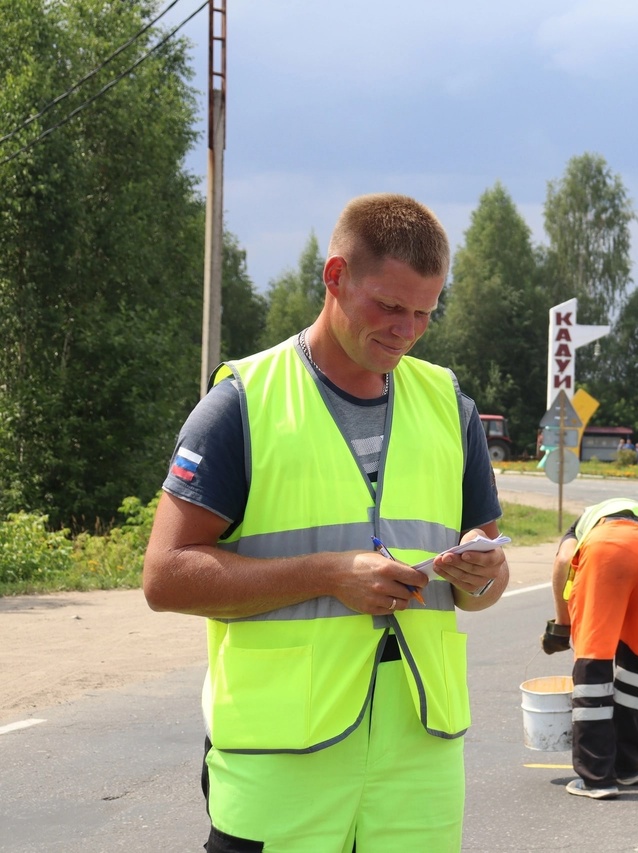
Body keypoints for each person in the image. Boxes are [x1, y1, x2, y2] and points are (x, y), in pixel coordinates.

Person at [143, 193, 509, 852]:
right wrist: (327, 575)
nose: (407, 329)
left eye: (425, 312)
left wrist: (485, 573)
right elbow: (164, 577)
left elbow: (484, 589)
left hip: (418, 769)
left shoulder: (450, 407)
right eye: (390, 307)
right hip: (281, 767)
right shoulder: (241, 405)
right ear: (334, 277)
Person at [540, 498, 638, 799]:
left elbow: (563, 561)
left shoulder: (580, 527)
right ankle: (627, 767)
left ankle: (596, 777)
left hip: (609, 544)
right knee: (632, 649)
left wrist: (561, 626)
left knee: (594, 655)